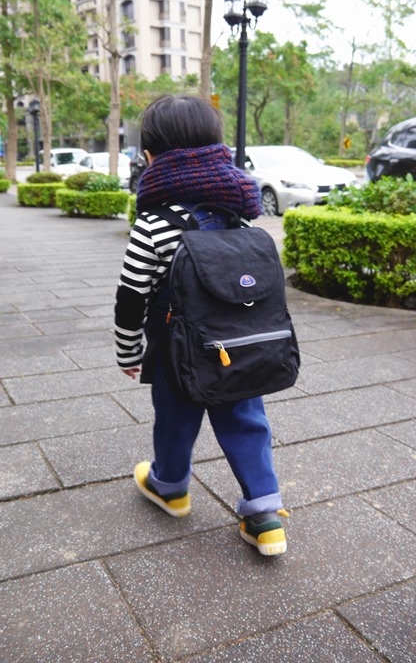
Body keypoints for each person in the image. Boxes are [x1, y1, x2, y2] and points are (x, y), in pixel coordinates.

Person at [114, 94, 289, 556]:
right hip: (239, 347)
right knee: (246, 421)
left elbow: (131, 297)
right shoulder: (239, 214)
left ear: (150, 156)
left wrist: (128, 352)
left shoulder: (151, 224)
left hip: (176, 351)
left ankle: (170, 487)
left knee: (174, 418)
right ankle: (266, 516)